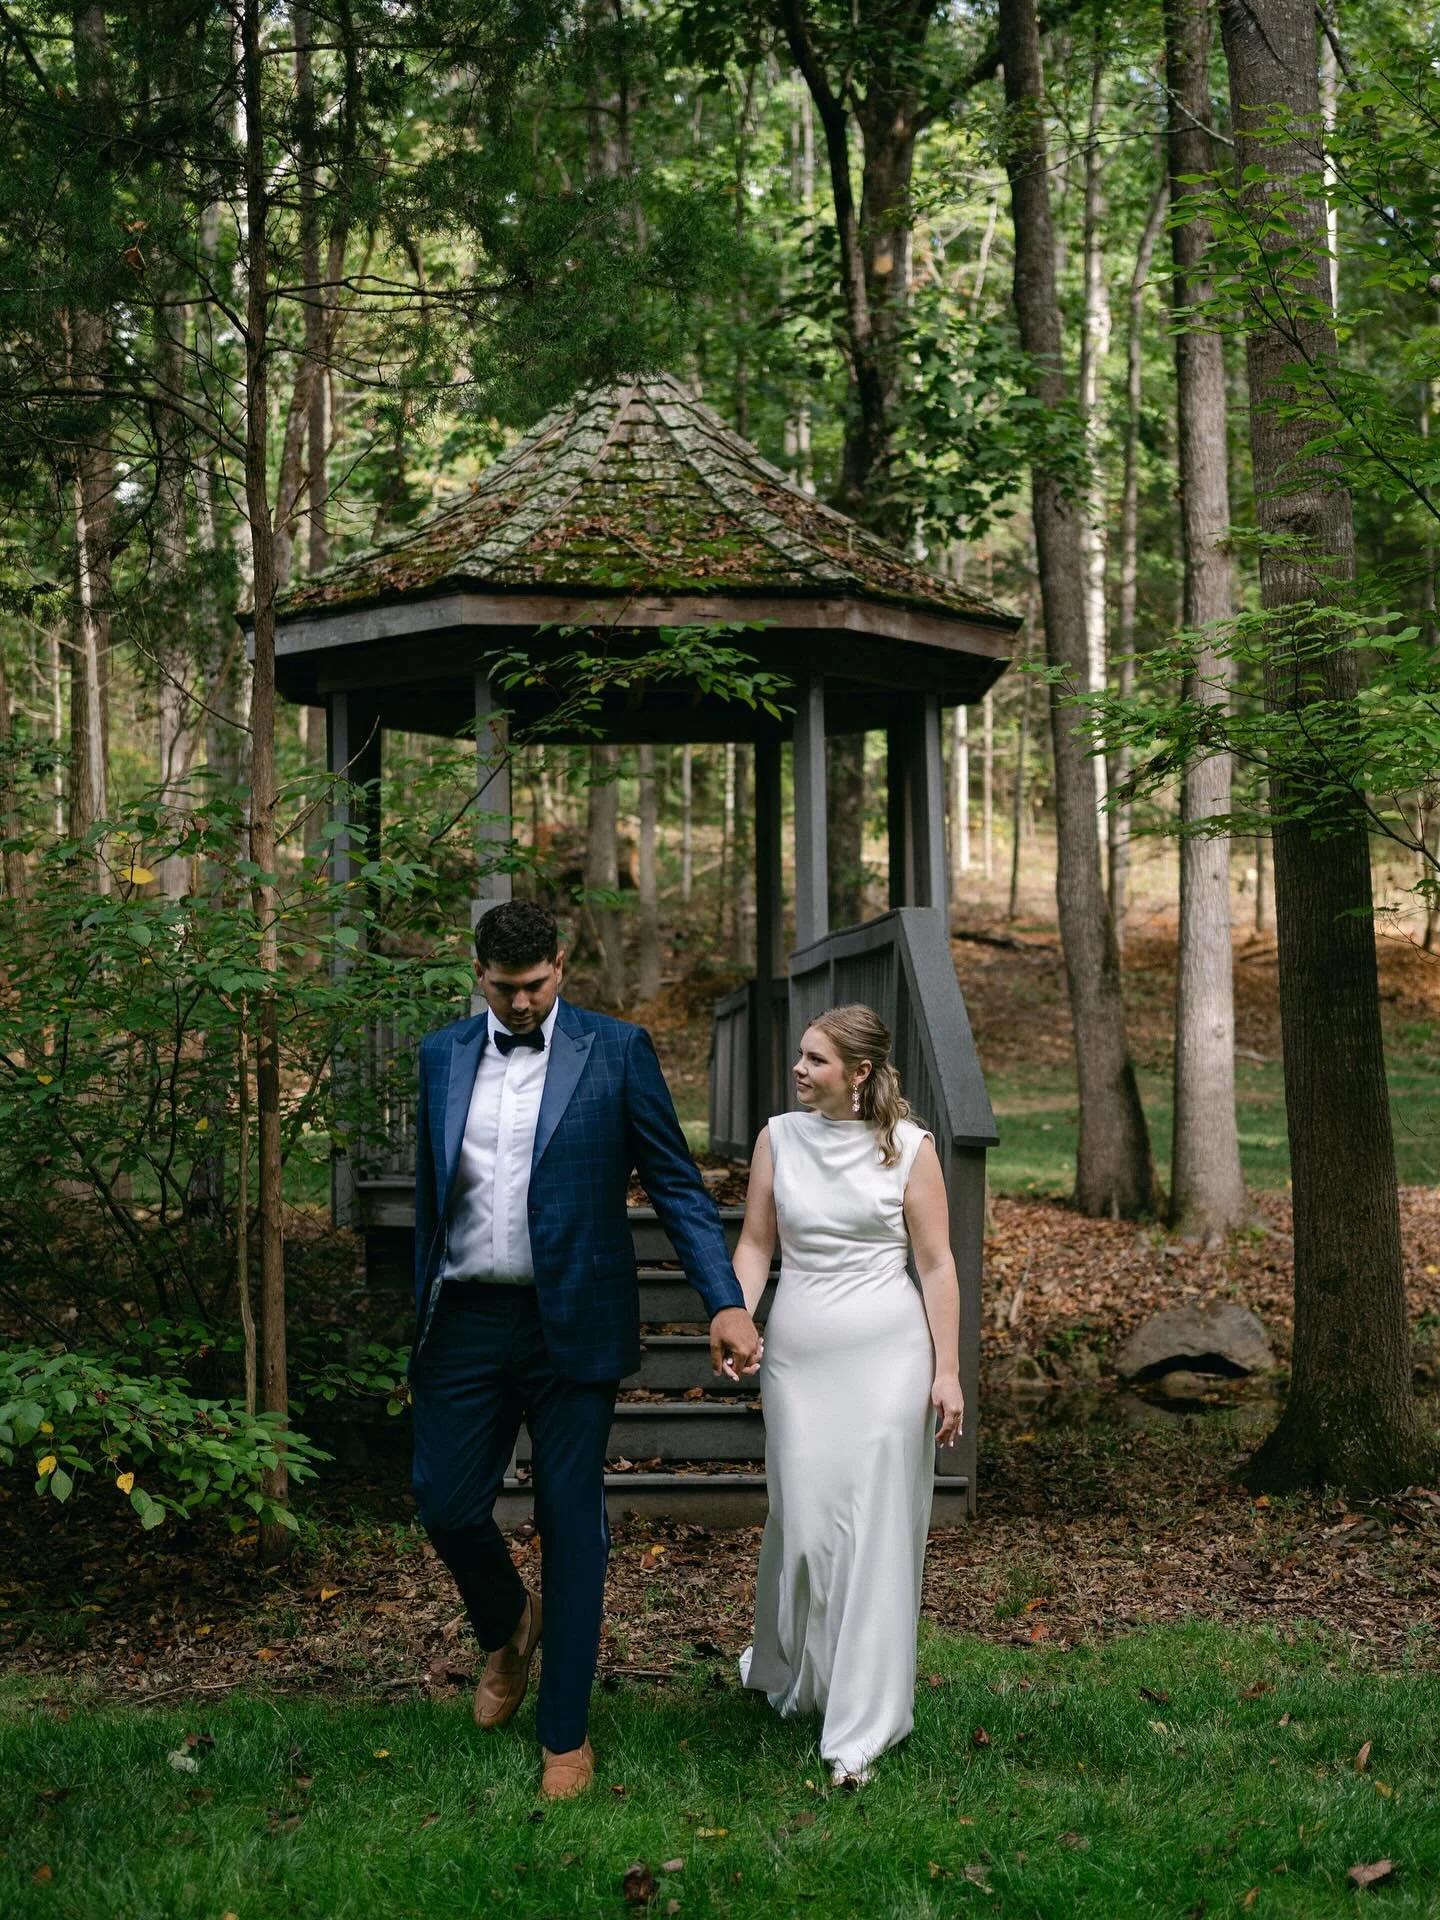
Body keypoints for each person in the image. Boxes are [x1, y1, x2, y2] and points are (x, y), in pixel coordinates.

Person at [409, 900, 762, 1800]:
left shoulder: (617, 1050)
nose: (520, 1003)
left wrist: (723, 1300)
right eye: (503, 987)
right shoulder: (441, 1055)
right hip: (465, 1322)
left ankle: (563, 1734)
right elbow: (432, 1190)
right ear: (476, 972)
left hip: (574, 1323)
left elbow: (677, 1186)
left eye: (534, 985)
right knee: (446, 1504)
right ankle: (507, 1622)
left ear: (561, 967)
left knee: (574, 1526)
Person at [734, 1004, 964, 1788]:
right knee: (802, 1529)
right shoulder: (778, 1139)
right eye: (801, 1056)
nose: (799, 1069)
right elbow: (758, 1243)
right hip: (799, 1357)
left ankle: (863, 1727)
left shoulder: (911, 1149)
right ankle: (799, 1671)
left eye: (816, 1060)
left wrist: (947, 1369)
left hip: (889, 1357)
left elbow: (935, 1265)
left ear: (859, 1073)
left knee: (872, 1534)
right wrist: (736, 1315)